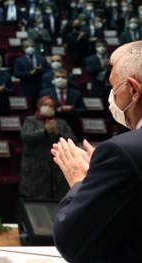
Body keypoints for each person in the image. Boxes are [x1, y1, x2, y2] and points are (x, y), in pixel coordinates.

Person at [52, 40, 142, 263]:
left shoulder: (123, 152)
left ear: (133, 90)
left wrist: (82, 182)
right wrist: (107, 179)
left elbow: (72, 241)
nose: (111, 98)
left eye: (114, 89)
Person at [19, 96, 76, 199]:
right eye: (45, 105)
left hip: (56, 171)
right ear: (39, 106)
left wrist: (57, 133)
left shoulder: (61, 123)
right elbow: (26, 136)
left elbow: (72, 141)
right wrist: (45, 131)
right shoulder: (30, 120)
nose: (48, 107)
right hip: (34, 168)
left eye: (51, 105)